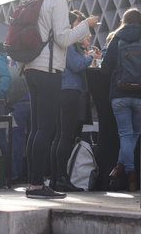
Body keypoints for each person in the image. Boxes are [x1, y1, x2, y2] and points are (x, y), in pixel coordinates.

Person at [24, 0, 99, 199]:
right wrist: (86, 25)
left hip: (31, 67)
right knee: (45, 128)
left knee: (37, 128)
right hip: (48, 69)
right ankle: (37, 185)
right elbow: (63, 38)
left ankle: (33, 182)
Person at [101, 8, 141, 191]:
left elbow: (105, 67)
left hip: (119, 94)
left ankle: (127, 171)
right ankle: (127, 171)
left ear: (124, 21)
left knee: (126, 135)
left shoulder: (117, 39)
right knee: (133, 135)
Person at [50, 11, 101, 192]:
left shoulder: (64, 41)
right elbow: (76, 65)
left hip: (62, 90)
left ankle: (56, 178)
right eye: (79, 23)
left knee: (60, 136)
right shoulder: (69, 43)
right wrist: (90, 58)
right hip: (70, 90)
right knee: (65, 136)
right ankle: (61, 178)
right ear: (72, 24)